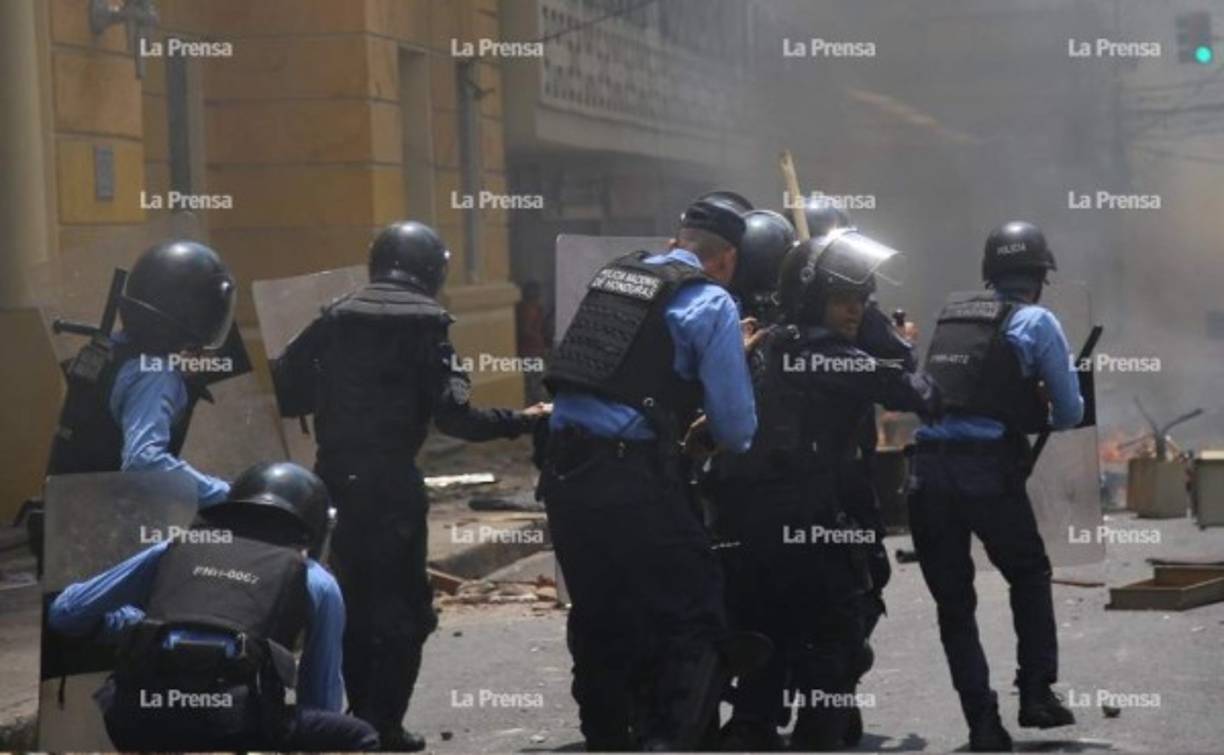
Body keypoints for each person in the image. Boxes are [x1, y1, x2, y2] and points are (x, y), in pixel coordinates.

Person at [272, 221, 548, 751]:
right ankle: (386, 725)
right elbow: (456, 417)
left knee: (350, 603)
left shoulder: (334, 316)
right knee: (406, 611)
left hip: (331, 484)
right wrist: (522, 420)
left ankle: (357, 718)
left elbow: (288, 386)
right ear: (432, 270)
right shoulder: (427, 324)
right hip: (392, 487)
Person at [540, 199, 758, 750]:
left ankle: (605, 739)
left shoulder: (615, 277)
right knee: (696, 614)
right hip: (630, 479)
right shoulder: (711, 301)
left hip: (564, 472)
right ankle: (666, 742)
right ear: (727, 258)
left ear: (674, 243)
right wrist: (734, 357)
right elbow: (736, 430)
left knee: (599, 613)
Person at [713, 231, 939, 751]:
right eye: (842, 299)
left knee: (766, 628)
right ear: (813, 298)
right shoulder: (834, 355)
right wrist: (893, 342)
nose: (855, 309)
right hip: (812, 518)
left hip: (750, 519)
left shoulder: (767, 340)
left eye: (862, 299)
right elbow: (920, 394)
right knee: (835, 639)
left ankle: (754, 722)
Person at [47, 462, 379, 751]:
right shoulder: (316, 580)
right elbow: (320, 694)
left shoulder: (177, 546)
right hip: (234, 725)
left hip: (133, 718)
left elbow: (66, 612)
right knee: (357, 736)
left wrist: (137, 625)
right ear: (314, 528)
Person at [910, 221, 1083, 752]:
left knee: (953, 603)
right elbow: (1070, 412)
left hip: (925, 474)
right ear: (1040, 276)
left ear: (990, 273)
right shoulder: (1038, 321)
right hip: (987, 472)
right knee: (1028, 573)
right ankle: (1036, 694)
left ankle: (982, 725)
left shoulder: (952, 315)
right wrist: (1039, 400)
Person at [46, 240, 236, 504]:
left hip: (66, 511)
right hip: (113, 521)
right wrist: (225, 494)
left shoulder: (107, 350)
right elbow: (144, 463)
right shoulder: (154, 375)